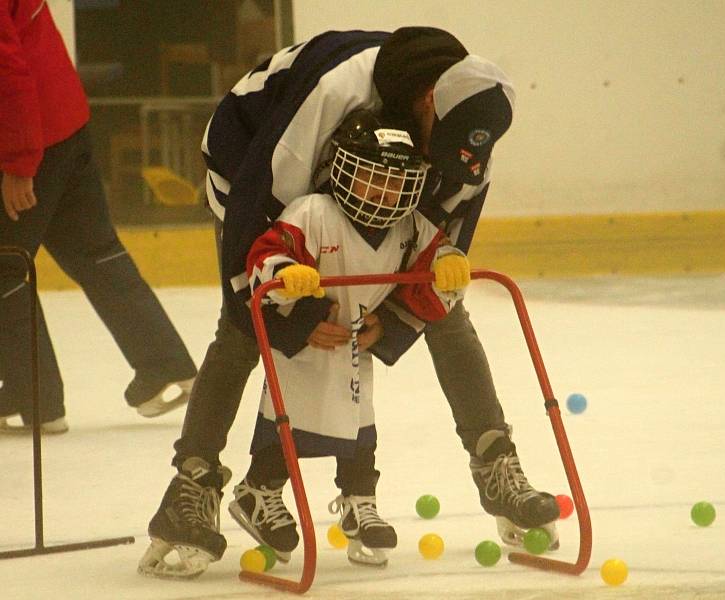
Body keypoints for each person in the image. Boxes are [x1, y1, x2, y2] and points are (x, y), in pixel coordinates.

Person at [142, 27, 559, 578]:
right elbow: (259, 206)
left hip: (375, 174)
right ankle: (191, 486)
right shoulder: (339, 88)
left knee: (449, 318)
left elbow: (443, 252)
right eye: (440, 139)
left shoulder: (465, 130)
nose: (448, 158)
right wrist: (298, 312)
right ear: (429, 99)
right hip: (251, 160)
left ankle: (496, 464)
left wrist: (392, 318)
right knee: (242, 325)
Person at [141, 110, 470, 575]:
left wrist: (448, 267)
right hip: (300, 339)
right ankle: (261, 490)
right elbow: (265, 255)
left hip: (354, 343)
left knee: (359, 424)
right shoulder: (313, 212)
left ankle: (360, 500)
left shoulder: (411, 227)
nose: (385, 193)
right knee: (291, 418)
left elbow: (430, 275)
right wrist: (284, 274)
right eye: (373, 178)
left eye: (397, 183)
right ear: (343, 172)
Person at [0, 0, 197, 434]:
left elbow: (6, 69)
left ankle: (38, 403)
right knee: (96, 252)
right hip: (67, 123)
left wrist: (19, 162)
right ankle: (165, 365)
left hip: (33, 139)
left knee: (5, 269)